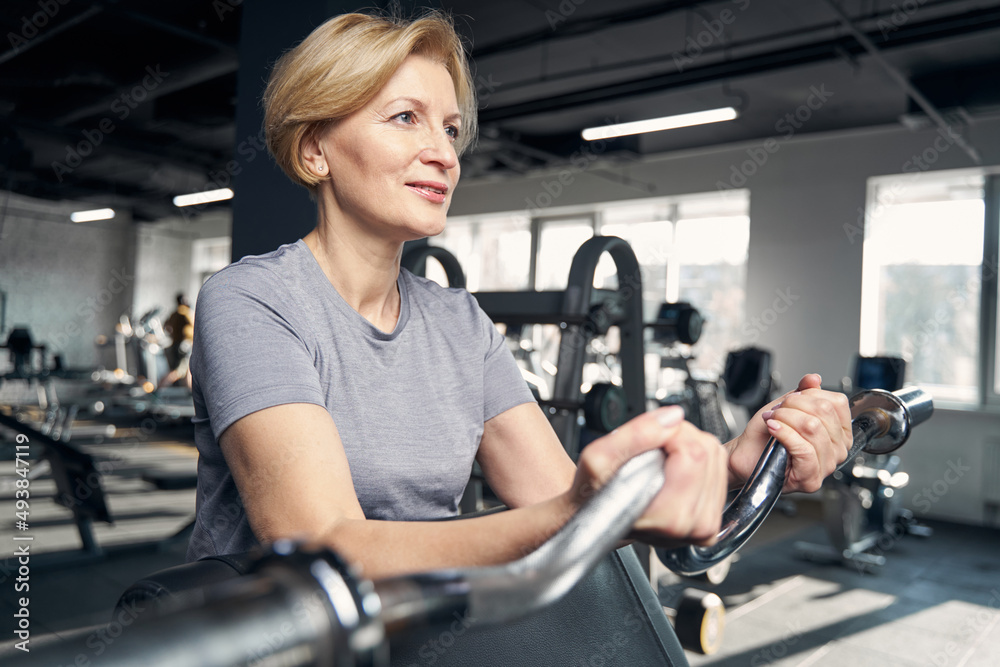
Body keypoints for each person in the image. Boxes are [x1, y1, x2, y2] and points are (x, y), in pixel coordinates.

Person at [186, 10, 853, 579]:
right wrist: (571, 511)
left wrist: (738, 462)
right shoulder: (252, 302)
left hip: (423, 636)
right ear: (314, 151)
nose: (444, 153)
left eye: (449, 129)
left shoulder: (459, 321)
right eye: (405, 118)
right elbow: (323, 546)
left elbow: (561, 496)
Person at [161, 293, 194, 388]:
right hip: (184, 345)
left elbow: (166, 325)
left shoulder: (174, 313)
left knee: (186, 370)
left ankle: (189, 391)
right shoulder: (185, 312)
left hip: (176, 343)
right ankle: (160, 387)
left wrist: (172, 334)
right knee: (178, 371)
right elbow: (195, 325)